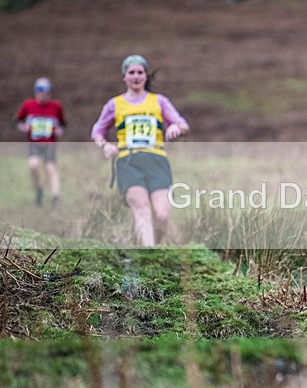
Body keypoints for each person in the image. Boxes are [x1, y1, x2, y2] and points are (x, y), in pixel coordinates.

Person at [91, 55, 190, 246]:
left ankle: (150, 245)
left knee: (161, 215)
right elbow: (97, 131)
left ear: (146, 75)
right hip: (128, 162)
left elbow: (182, 124)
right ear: (124, 76)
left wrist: (175, 128)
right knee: (141, 206)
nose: (136, 76)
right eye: (131, 72)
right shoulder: (114, 105)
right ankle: (148, 255)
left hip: (156, 161)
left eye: (140, 72)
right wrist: (105, 145)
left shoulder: (159, 101)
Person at [15, 77, 67, 208]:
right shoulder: (28, 105)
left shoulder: (56, 106)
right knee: (33, 166)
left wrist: (60, 131)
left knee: (50, 168)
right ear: (35, 92)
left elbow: (63, 124)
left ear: (49, 93)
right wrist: (23, 127)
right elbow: (17, 120)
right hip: (34, 143)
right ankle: (38, 190)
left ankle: (55, 197)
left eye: (44, 91)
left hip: (49, 143)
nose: (41, 94)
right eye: (38, 91)